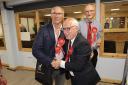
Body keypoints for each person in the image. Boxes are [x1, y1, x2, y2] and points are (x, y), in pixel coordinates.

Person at [51, 18, 101, 85]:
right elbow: (68, 57)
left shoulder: (82, 43)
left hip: (85, 79)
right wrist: (58, 62)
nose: (65, 32)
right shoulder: (68, 40)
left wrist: (60, 63)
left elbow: (78, 66)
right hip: (75, 76)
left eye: (68, 29)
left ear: (76, 29)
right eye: (63, 29)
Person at [32, 6, 66, 85]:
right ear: (51, 15)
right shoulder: (43, 29)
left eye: (59, 13)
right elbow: (35, 50)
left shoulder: (66, 29)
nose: (56, 16)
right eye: (54, 13)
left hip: (62, 66)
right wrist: (51, 61)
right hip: (48, 66)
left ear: (63, 15)